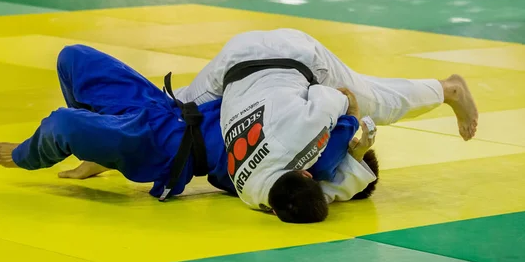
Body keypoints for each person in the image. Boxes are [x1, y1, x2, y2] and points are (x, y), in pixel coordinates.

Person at [0, 45, 379, 218]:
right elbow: (350, 141)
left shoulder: (263, 187)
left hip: (162, 146)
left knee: (63, 125)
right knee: (73, 58)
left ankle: (27, 156)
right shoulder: (321, 156)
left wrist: (357, 133)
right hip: (167, 108)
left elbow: (348, 166)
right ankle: (100, 147)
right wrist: (357, 146)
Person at [175, 28, 478, 223]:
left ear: (305, 173)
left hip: (293, 52)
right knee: (176, 109)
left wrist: (354, 116)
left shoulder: (302, 140)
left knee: (376, 102)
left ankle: (449, 89)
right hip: (233, 60)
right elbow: (312, 193)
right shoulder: (252, 194)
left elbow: (332, 96)